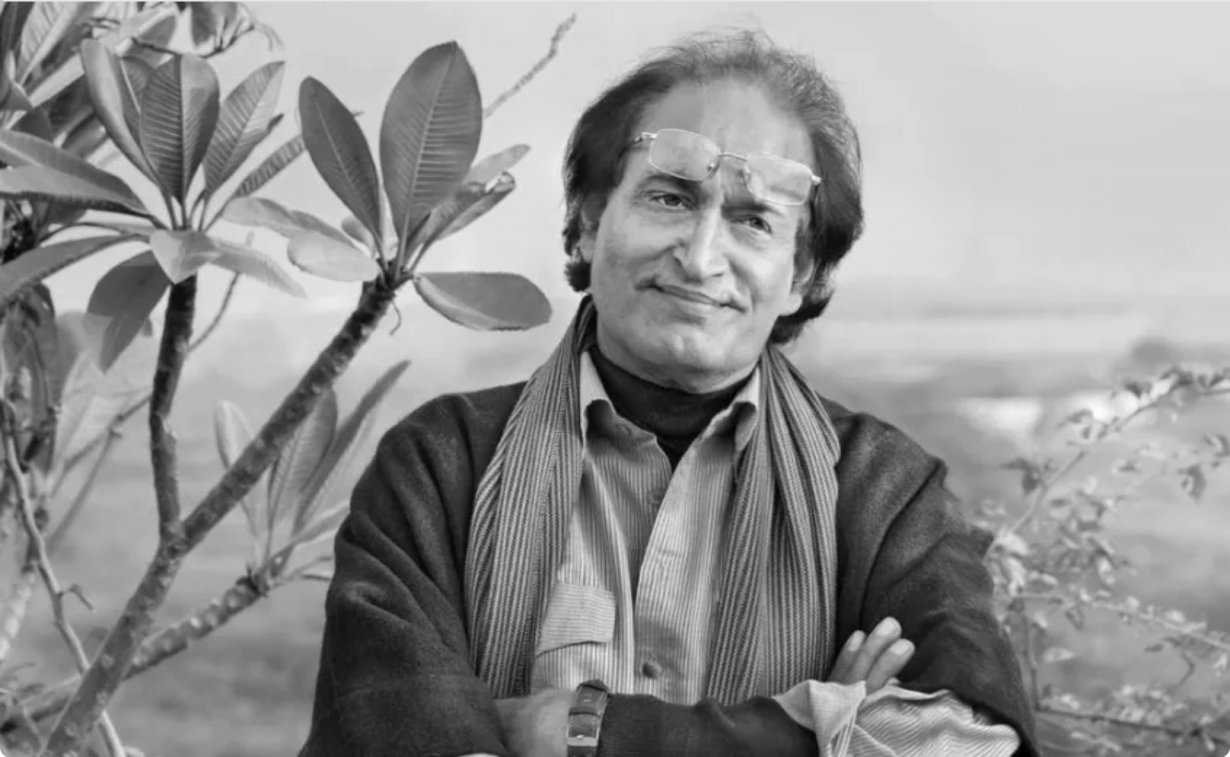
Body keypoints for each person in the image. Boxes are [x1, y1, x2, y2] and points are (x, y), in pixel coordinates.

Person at [299, 29, 1039, 757]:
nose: (700, 255)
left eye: (753, 220)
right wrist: (810, 735)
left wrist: (582, 732)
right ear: (589, 222)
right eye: (671, 198)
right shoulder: (440, 467)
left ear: (804, 276)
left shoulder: (883, 492)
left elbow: (974, 740)